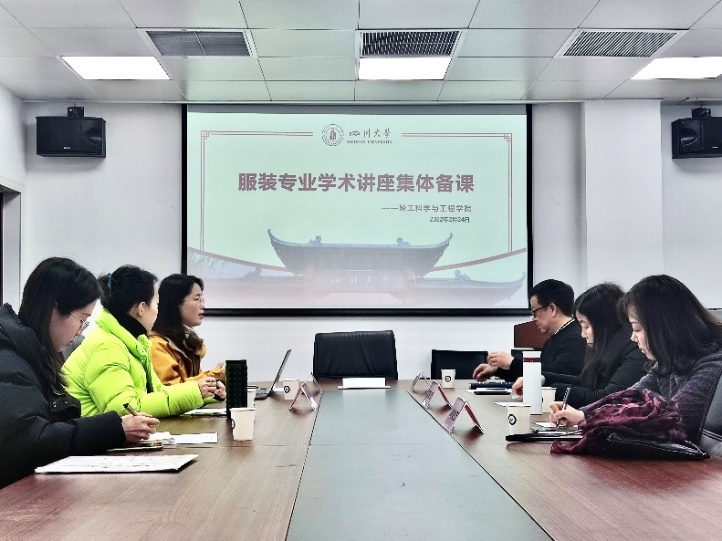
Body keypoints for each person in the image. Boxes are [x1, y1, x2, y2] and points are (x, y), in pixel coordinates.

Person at [0, 257, 159, 488]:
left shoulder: (32, 354)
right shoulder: (8, 360)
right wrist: (115, 429)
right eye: (82, 320)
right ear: (53, 308)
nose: (80, 332)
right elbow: (31, 442)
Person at [551, 275, 722, 445]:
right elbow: (629, 395)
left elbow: (671, 419)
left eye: (638, 329)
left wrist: (591, 419)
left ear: (663, 327)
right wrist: (583, 414)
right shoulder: (669, 363)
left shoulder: (713, 364)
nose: (633, 337)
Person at [64, 265, 222, 418]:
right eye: (156, 304)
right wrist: (195, 392)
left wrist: (205, 394)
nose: (158, 311)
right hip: (95, 436)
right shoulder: (107, 347)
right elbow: (125, 408)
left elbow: (158, 392)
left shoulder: (135, 342)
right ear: (141, 308)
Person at [511, 283, 647, 408]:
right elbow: (586, 382)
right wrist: (542, 379)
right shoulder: (606, 346)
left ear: (603, 324)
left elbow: (608, 398)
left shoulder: (635, 348)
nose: (582, 334)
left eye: (586, 326)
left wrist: (550, 391)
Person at [473, 279, 586, 382]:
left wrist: (512, 363)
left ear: (552, 309)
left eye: (534, 312)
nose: (533, 318)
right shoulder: (553, 339)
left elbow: (559, 376)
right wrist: (498, 370)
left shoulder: (576, 338)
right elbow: (535, 376)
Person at [149, 274, 225, 387]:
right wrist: (215, 376)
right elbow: (171, 388)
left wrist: (215, 388)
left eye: (202, 299)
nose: (202, 305)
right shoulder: (157, 345)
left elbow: (191, 382)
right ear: (175, 303)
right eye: (197, 299)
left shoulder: (187, 340)